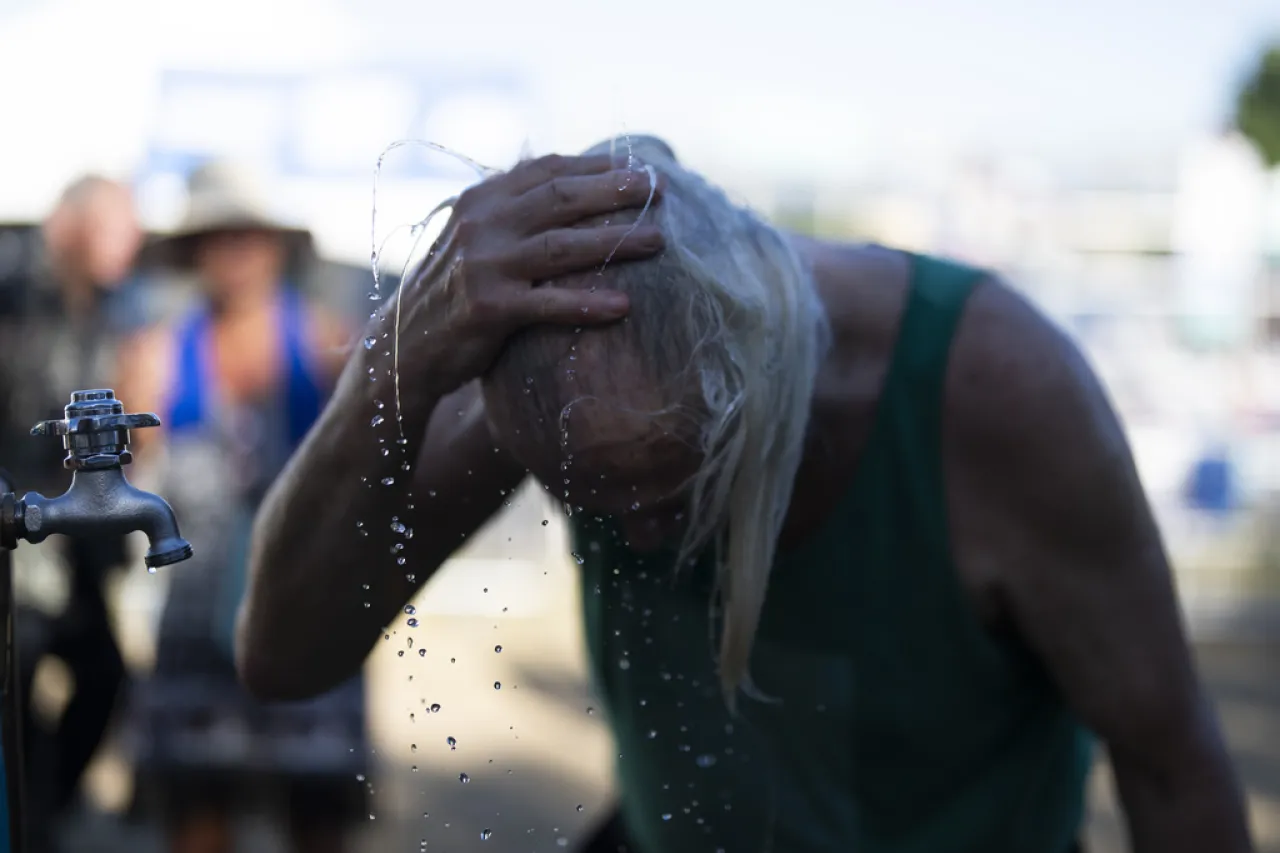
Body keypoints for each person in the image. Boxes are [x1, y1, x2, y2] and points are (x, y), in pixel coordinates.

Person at [236, 137, 1253, 853]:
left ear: (759, 388)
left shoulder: (995, 396)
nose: (635, 532)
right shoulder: (557, 375)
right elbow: (282, 658)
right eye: (582, 497)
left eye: (673, 487)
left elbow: (1167, 764)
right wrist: (391, 365)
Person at [117, 160, 364, 853]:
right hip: (195, 622)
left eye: (248, 236)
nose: (235, 252)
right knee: (197, 818)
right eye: (219, 236)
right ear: (195, 249)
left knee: (317, 819)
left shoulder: (327, 344)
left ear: (275, 245)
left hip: (310, 611)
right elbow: (132, 480)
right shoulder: (157, 357)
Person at [0, 174, 145, 850]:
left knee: (104, 674)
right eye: (117, 225)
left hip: (65, 536)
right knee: (18, 672)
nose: (133, 241)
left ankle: (43, 814)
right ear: (74, 225)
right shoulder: (16, 287)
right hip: (17, 522)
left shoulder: (101, 306)